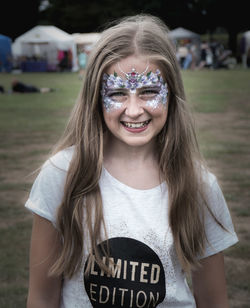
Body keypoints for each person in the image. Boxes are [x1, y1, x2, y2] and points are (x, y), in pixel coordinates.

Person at [25, 14, 238, 307]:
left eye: (150, 91)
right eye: (117, 93)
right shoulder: (62, 175)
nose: (134, 110)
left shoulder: (198, 185)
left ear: (171, 93)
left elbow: (214, 300)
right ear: (96, 98)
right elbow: (41, 298)